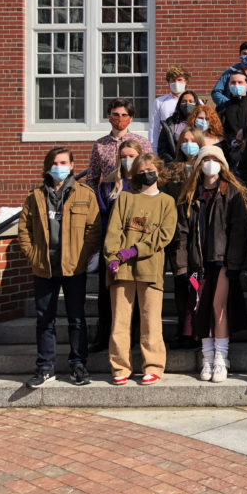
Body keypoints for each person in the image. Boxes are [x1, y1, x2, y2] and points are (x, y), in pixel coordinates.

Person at [18, 147, 102, 388]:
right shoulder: (35, 196)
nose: (59, 166)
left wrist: (82, 256)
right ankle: (45, 367)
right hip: (45, 266)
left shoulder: (85, 194)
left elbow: (93, 229)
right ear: (47, 167)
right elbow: (24, 230)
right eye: (54, 162)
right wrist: (33, 256)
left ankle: (78, 364)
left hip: (73, 267)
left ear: (73, 165)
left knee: (77, 318)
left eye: (64, 162)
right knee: (45, 319)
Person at [175, 146, 247, 383]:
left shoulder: (232, 193)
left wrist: (234, 263)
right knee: (200, 309)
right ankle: (207, 356)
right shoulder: (190, 195)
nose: (210, 163)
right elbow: (181, 234)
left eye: (214, 159)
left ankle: (221, 358)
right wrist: (181, 266)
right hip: (198, 262)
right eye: (205, 159)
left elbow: (239, 231)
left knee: (219, 307)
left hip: (222, 261)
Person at [104, 153, 177, 385]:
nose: (147, 173)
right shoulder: (125, 198)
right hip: (121, 270)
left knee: (151, 320)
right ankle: (120, 367)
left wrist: (134, 250)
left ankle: (153, 365)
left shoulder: (167, 202)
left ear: (158, 170)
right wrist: (113, 257)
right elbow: (114, 230)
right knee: (120, 321)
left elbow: (164, 235)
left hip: (150, 268)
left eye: (150, 169)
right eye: (142, 170)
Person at [90, 138, 146, 353]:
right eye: (124, 157)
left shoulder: (145, 184)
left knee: (137, 299)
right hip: (112, 248)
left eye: (132, 156)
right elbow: (102, 217)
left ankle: (135, 338)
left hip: (137, 249)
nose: (128, 160)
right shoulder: (109, 185)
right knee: (106, 296)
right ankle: (104, 336)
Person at [163, 129, 204, 349]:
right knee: (181, 281)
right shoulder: (172, 171)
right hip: (177, 232)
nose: (188, 145)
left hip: (199, 233)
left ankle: (196, 328)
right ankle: (183, 328)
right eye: (184, 141)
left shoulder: (206, 167)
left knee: (196, 282)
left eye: (192, 141)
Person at [86, 98, 152, 187]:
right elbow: (92, 177)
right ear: (109, 116)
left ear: (131, 118)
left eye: (124, 115)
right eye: (115, 114)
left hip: (137, 192)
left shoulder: (142, 142)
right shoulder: (100, 145)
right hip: (109, 194)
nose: (120, 118)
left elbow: (150, 171)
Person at [217, 68, 247, 172]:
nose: (236, 85)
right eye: (233, 82)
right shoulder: (222, 108)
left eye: (240, 82)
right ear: (228, 85)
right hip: (229, 156)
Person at [149, 66, 190, 150]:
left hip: (189, 143)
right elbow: (154, 128)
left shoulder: (196, 101)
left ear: (186, 81)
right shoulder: (159, 102)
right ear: (168, 82)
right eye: (173, 80)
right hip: (167, 145)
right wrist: (153, 149)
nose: (176, 83)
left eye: (179, 80)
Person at [157, 90, 200, 164]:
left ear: (196, 104)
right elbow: (162, 149)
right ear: (179, 104)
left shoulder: (201, 121)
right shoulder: (170, 123)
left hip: (197, 164)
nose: (187, 104)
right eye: (184, 101)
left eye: (191, 101)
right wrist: (172, 162)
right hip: (175, 164)